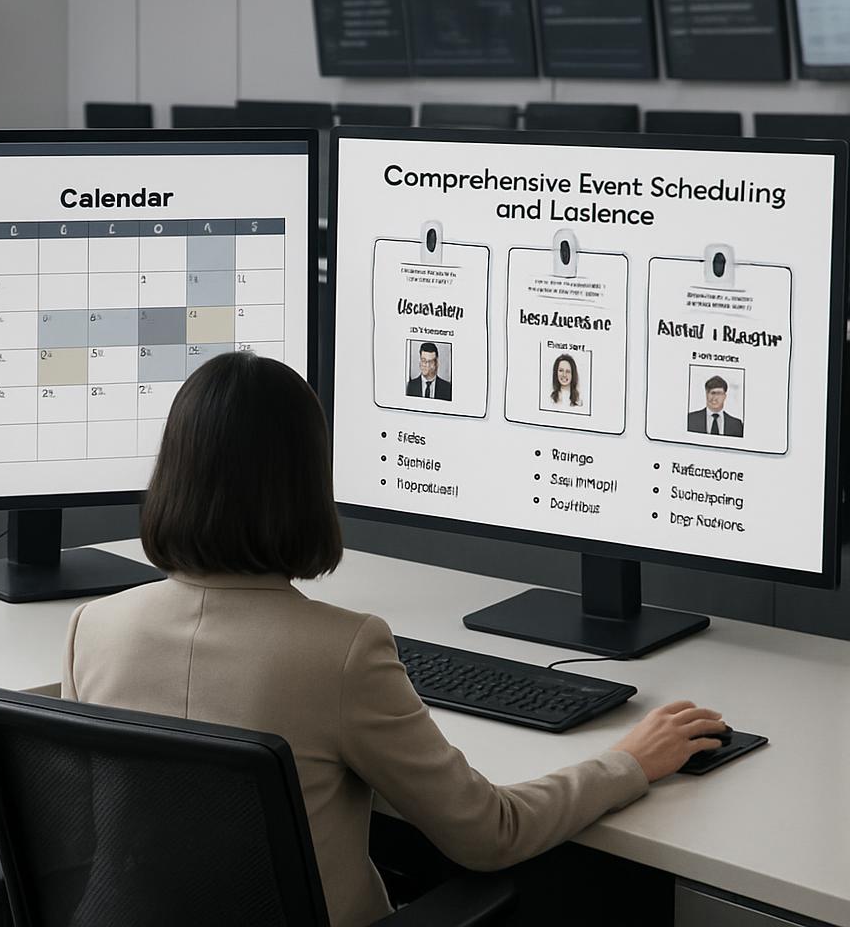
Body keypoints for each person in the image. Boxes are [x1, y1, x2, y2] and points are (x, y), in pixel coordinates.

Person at [63, 353, 726, 927]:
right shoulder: (342, 651)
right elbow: (489, 834)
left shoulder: (93, 629)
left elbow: (98, 836)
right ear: (304, 485)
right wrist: (628, 762)